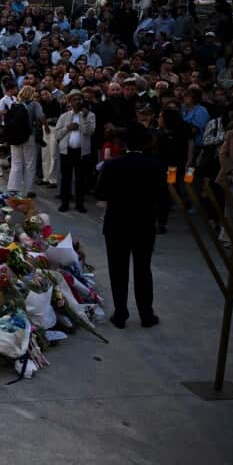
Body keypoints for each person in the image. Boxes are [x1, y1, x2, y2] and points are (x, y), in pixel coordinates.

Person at [93, 125, 167, 328]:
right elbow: (163, 198)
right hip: (143, 223)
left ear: (123, 143)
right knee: (143, 269)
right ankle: (146, 313)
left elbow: (100, 194)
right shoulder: (156, 166)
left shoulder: (112, 165)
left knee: (118, 269)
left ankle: (120, 313)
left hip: (117, 222)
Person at [54, 93, 96, 212]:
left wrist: (83, 119)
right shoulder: (64, 116)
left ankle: (80, 204)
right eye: (74, 99)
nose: (77, 102)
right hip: (66, 151)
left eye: (79, 99)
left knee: (80, 179)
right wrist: (68, 128)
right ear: (70, 102)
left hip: (82, 152)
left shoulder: (90, 116)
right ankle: (65, 203)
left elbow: (90, 132)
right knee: (66, 178)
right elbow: (57, 134)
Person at [5, 85, 42, 197]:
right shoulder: (34, 104)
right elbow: (41, 117)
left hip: (15, 137)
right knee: (29, 163)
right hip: (28, 137)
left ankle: (13, 187)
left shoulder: (14, 105)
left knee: (16, 162)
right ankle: (28, 189)